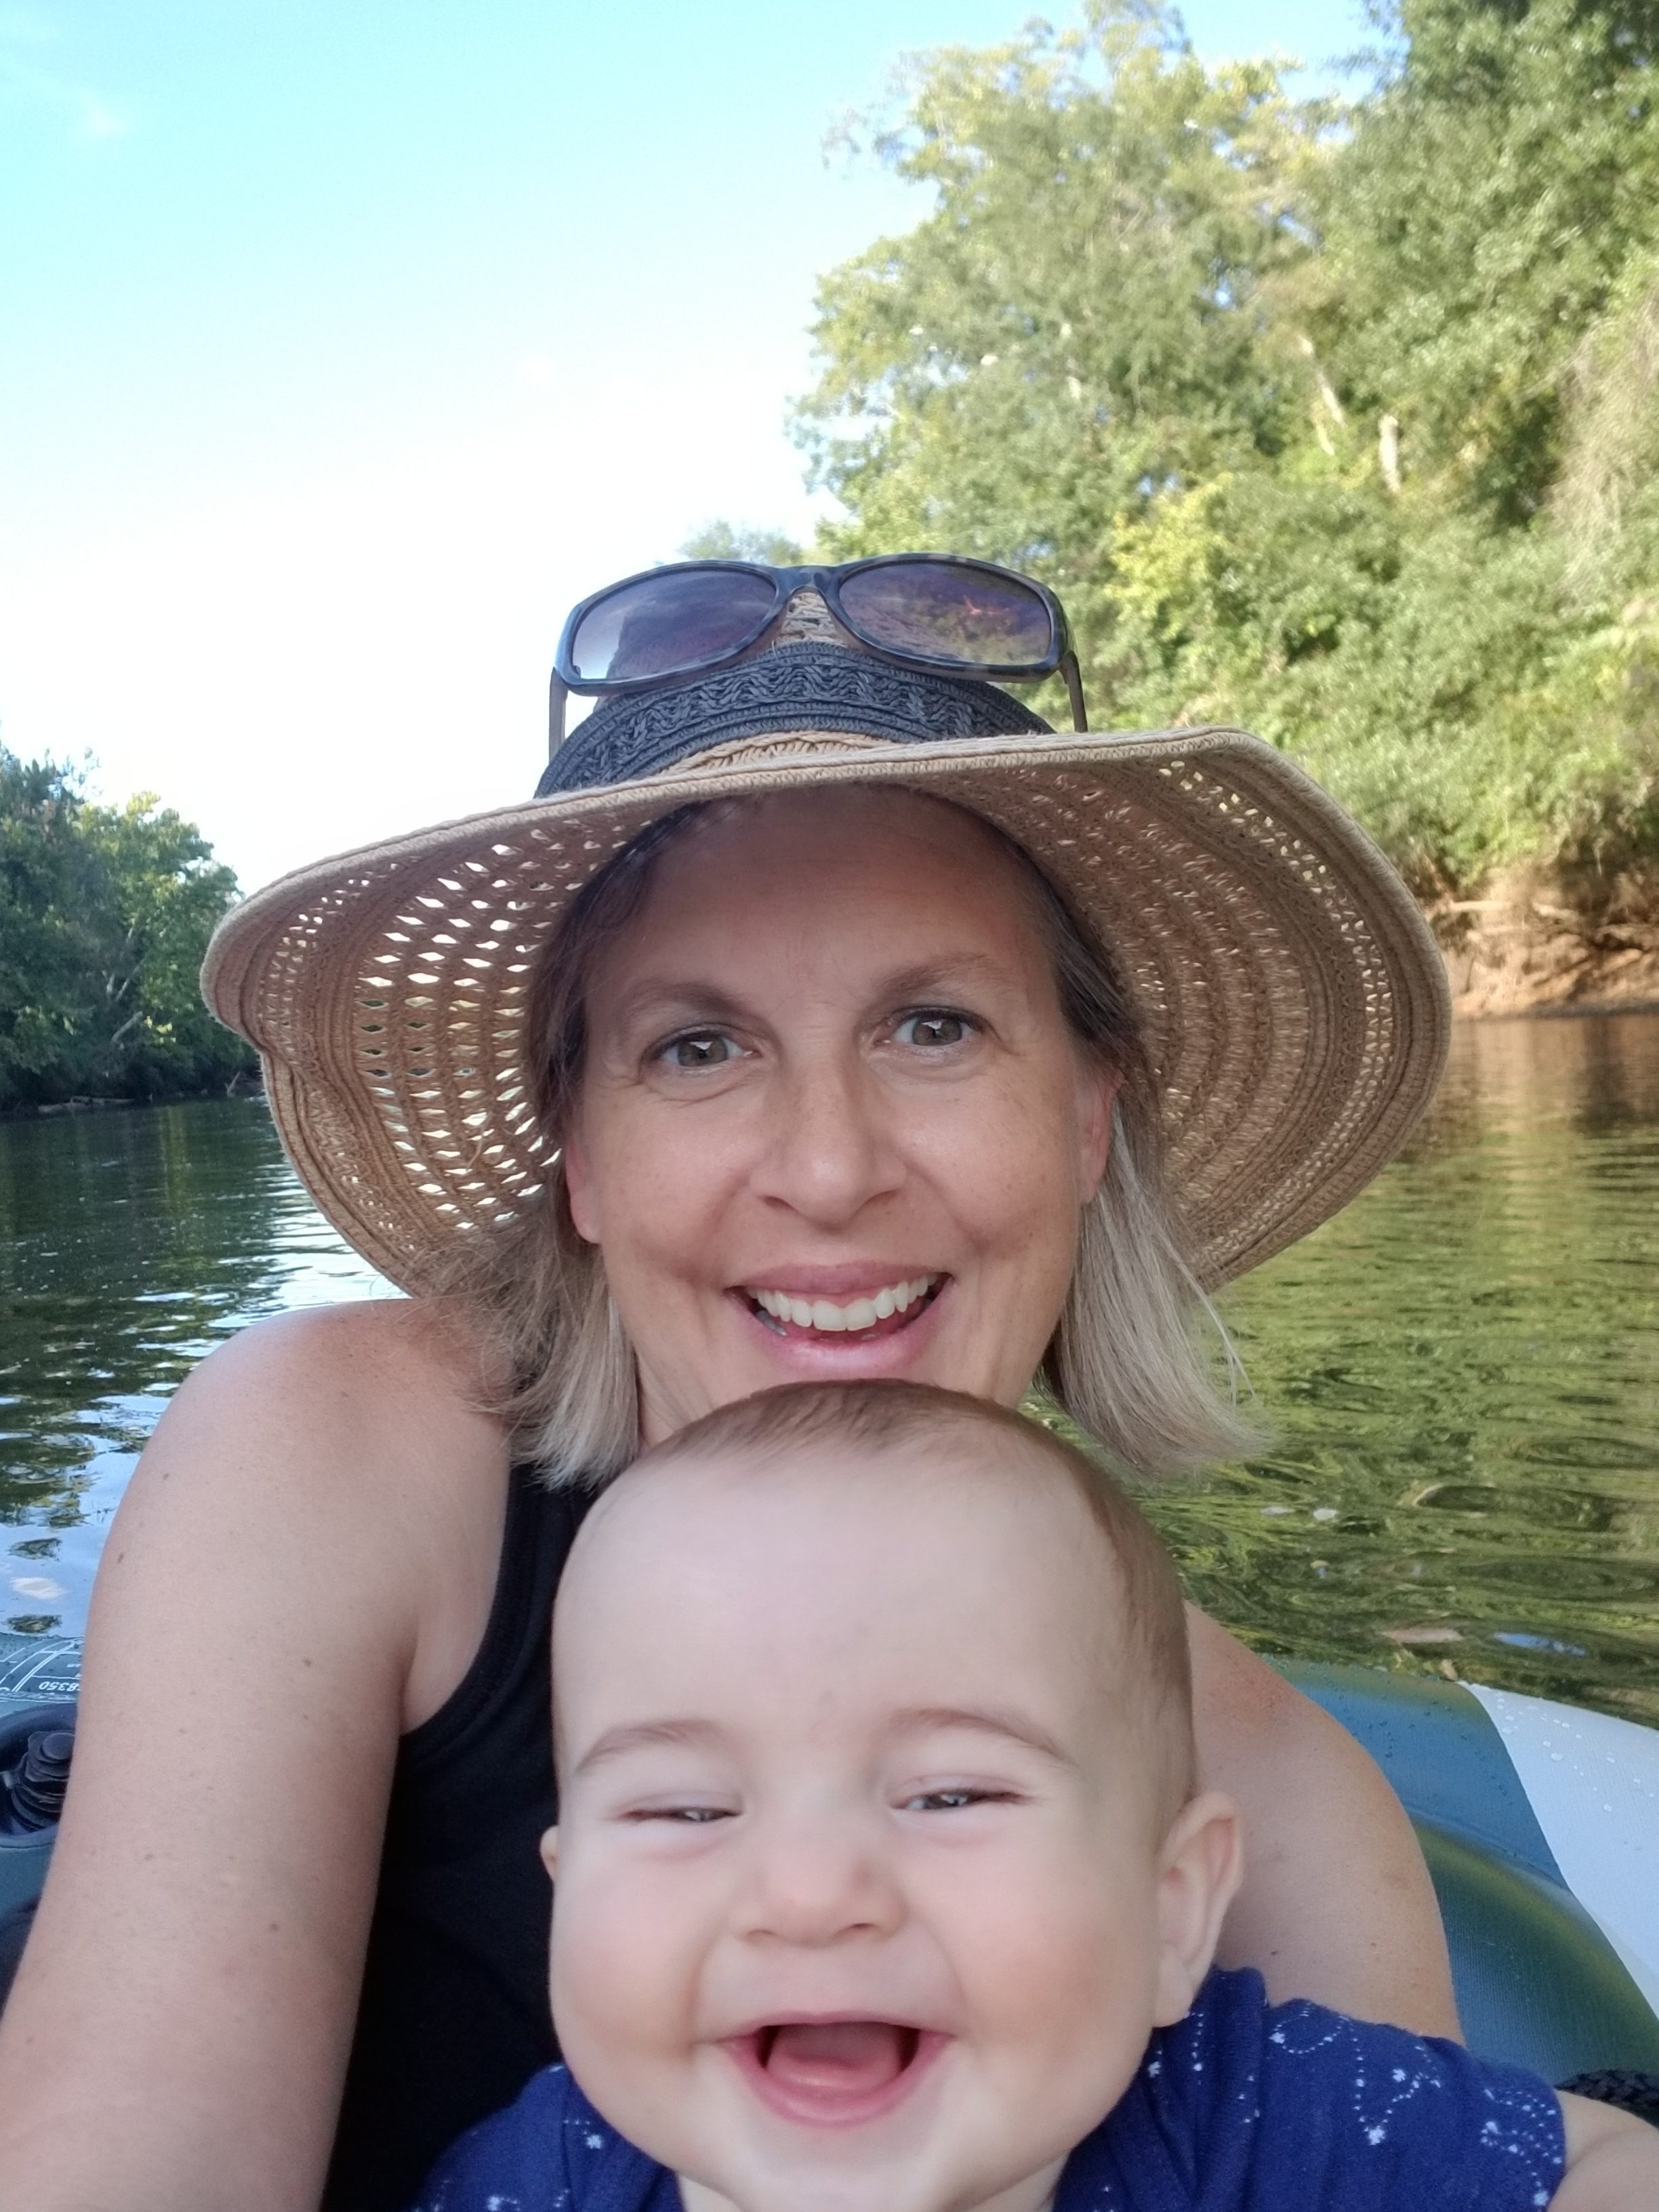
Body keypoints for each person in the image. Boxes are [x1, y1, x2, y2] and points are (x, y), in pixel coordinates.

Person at [0, 556, 1461, 2212]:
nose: (828, 1170)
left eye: (933, 1027)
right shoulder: (334, 1463)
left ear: (1083, 1116)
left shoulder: (1277, 1805)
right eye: (697, 1047)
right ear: (580, 1156)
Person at [413, 1378, 1658, 2212]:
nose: (807, 1892)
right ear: (568, 1900)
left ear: (1171, 1910)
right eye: (682, 1811)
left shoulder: (1248, 2111)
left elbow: (1597, 2163)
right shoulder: (537, 2182)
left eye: (952, 1796)